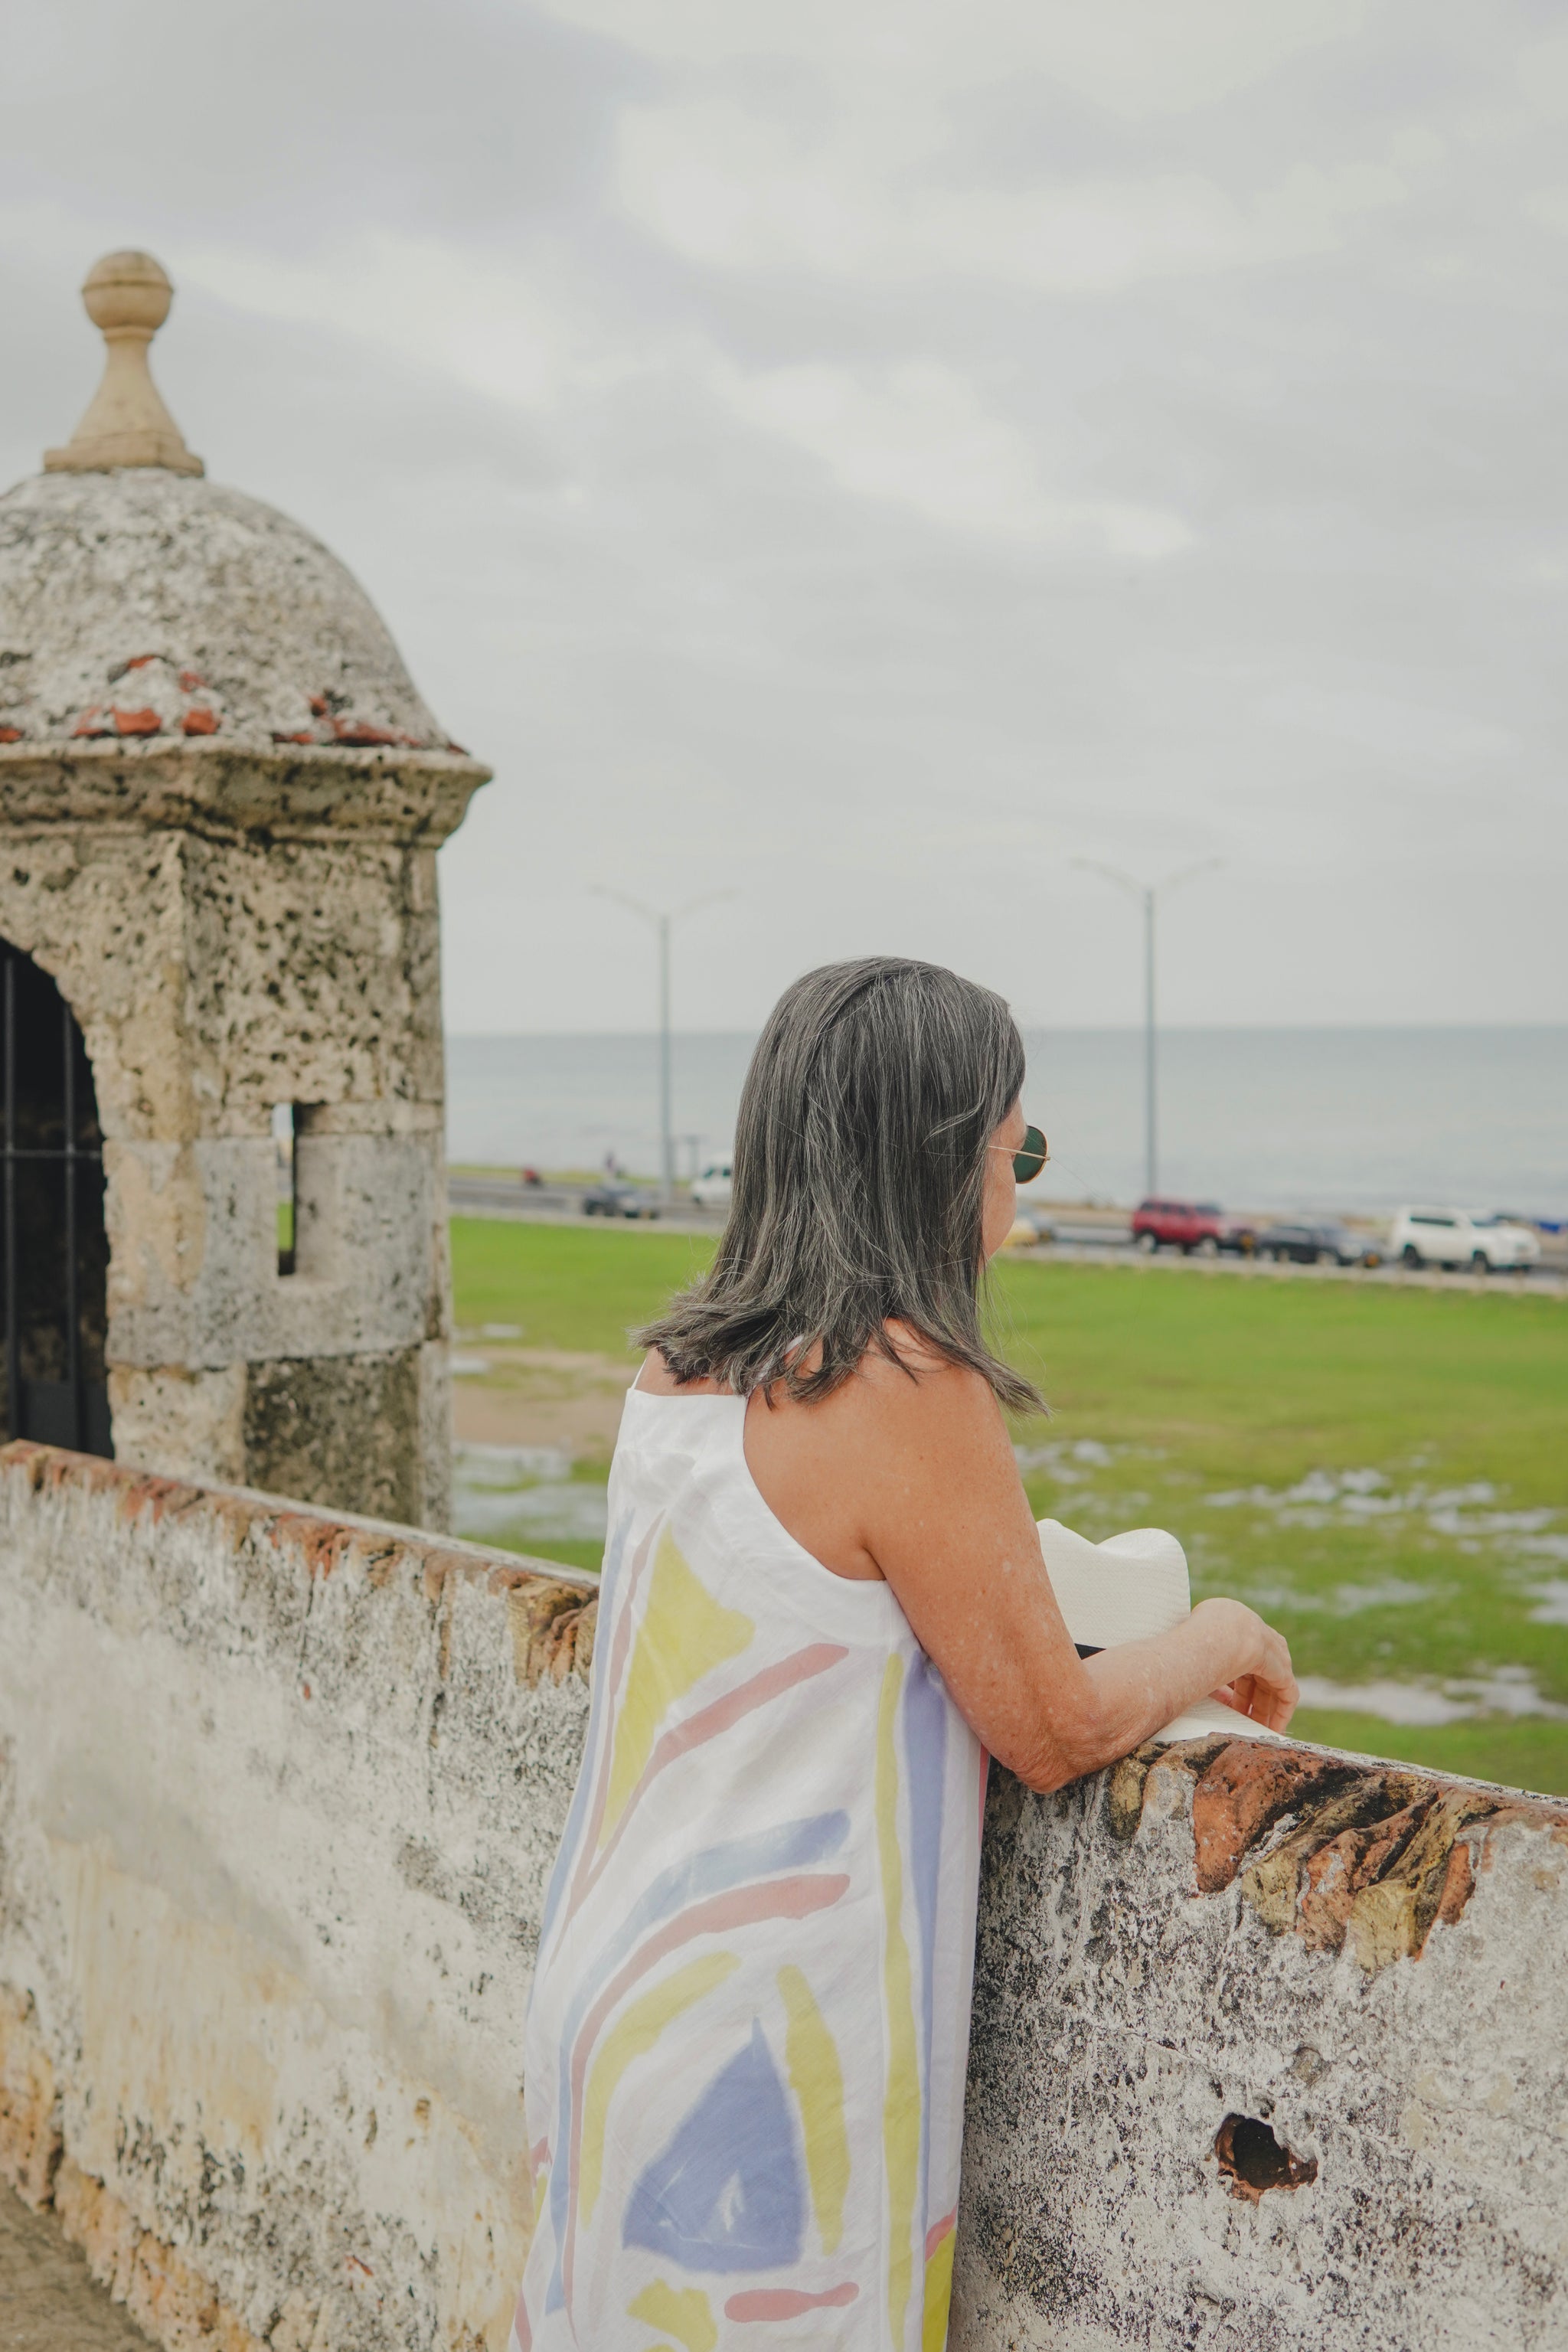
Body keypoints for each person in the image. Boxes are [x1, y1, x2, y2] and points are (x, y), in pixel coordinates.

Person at [513, 957, 1295, 2352]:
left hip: (613, 1992)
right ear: (943, 1163)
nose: (1017, 1203)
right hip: (765, 2061)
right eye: (1018, 1158)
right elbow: (1054, 1729)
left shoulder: (674, 1373)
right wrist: (1220, 1635)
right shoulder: (905, 1386)